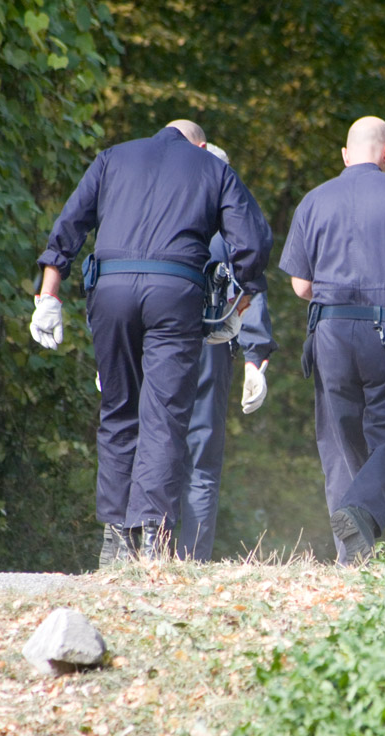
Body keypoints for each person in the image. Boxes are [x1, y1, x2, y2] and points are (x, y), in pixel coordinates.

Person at [31, 119, 272, 567]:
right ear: (202, 145)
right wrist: (238, 304)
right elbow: (252, 244)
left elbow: (70, 224)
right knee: (163, 415)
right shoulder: (212, 168)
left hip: (111, 292)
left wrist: (49, 295)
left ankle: (114, 539)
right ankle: (151, 537)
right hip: (174, 294)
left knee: (118, 409)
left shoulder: (112, 157)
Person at [279, 116, 385, 563]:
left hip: (330, 331)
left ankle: (351, 558)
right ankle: (361, 513)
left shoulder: (314, 200)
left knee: (340, 442)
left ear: (345, 154)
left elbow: (301, 285)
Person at [175, 144, 277, 562]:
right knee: (200, 461)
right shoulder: (231, 231)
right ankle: (190, 559)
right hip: (209, 350)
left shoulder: (159, 217)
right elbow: (250, 293)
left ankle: (142, 553)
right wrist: (254, 359)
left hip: (158, 347)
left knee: (150, 446)